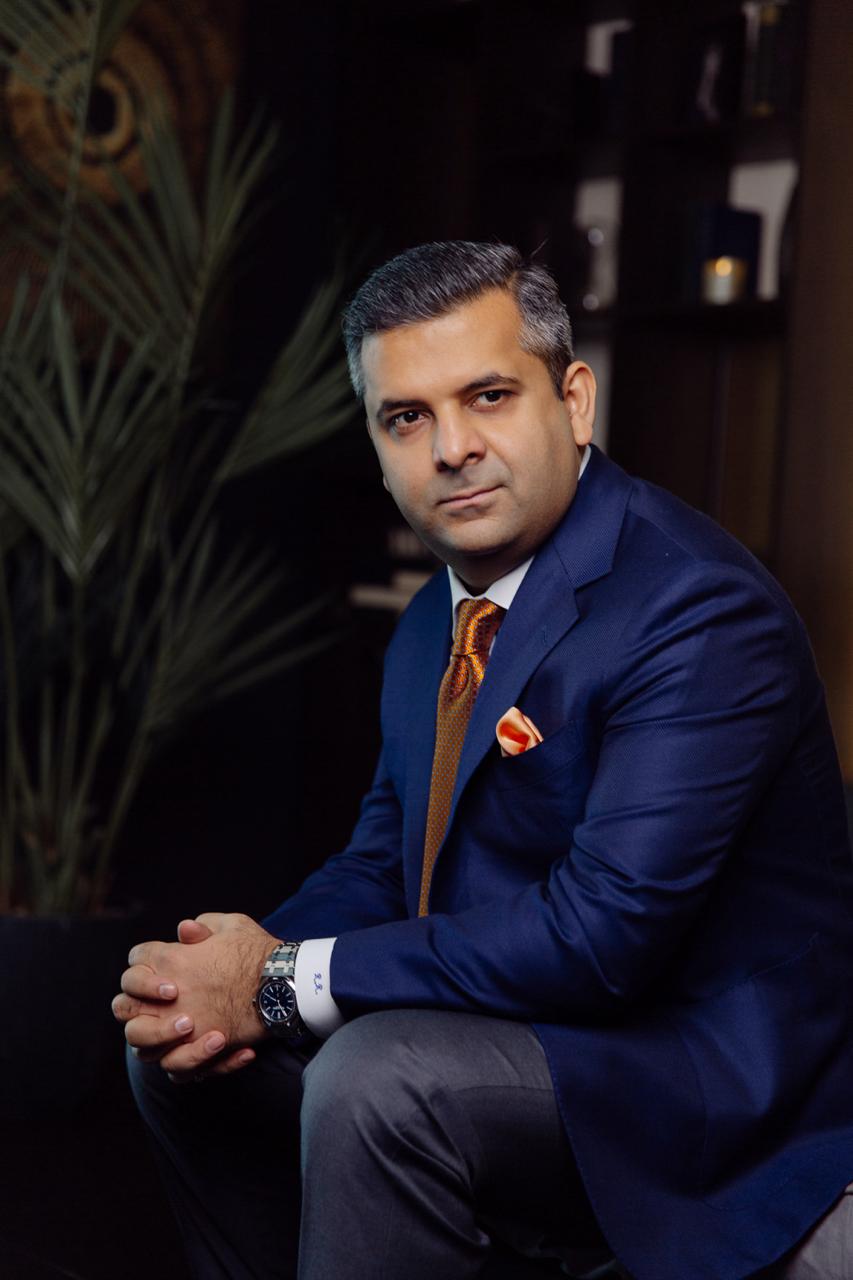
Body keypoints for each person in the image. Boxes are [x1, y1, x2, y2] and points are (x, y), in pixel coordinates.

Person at [114, 241, 853, 1280]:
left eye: (489, 396)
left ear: (574, 401)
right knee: (182, 1049)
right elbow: (386, 861)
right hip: (530, 1027)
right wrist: (227, 969)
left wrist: (276, 980)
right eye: (405, 418)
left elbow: (603, 937)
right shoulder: (437, 615)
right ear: (378, 449)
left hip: (698, 1076)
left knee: (377, 1074)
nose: (451, 447)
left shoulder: (695, 608)